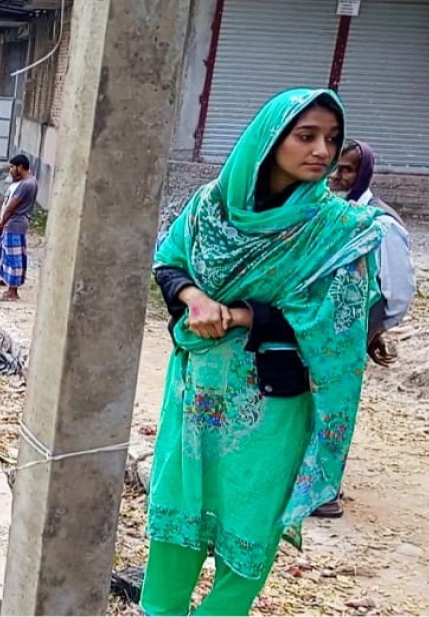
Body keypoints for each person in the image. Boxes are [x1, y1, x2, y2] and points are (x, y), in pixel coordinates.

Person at [143, 88, 388, 616]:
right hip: (195, 391)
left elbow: (337, 321)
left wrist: (238, 314)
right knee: (176, 509)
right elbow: (167, 262)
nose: (323, 150)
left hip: (272, 405)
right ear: (270, 138)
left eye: (332, 139)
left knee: (252, 519)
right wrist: (196, 296)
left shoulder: (338, 230)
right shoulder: (211, 207)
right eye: (307, 136)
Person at [307, 139, 415, 518]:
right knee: (306, 406)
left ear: (364, 172)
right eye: (335, 167)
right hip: (317, 333)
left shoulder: (381, 223)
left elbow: (396, 292)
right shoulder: (333, 213)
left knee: (333, 409)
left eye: (348, 169)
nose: (337, 176)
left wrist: (364, 331)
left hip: (345, 337)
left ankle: (323, 494)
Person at [0, 154, 38, 300]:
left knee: (14, 258)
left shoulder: (25, 184)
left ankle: (13, 291)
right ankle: (9, 287)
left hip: (15, 225)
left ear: (20, 167)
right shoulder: (30, 181)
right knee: (8, 256)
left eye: (12, 167)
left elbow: (11, 206)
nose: (10, 170)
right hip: (15, 224)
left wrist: (2, 221)